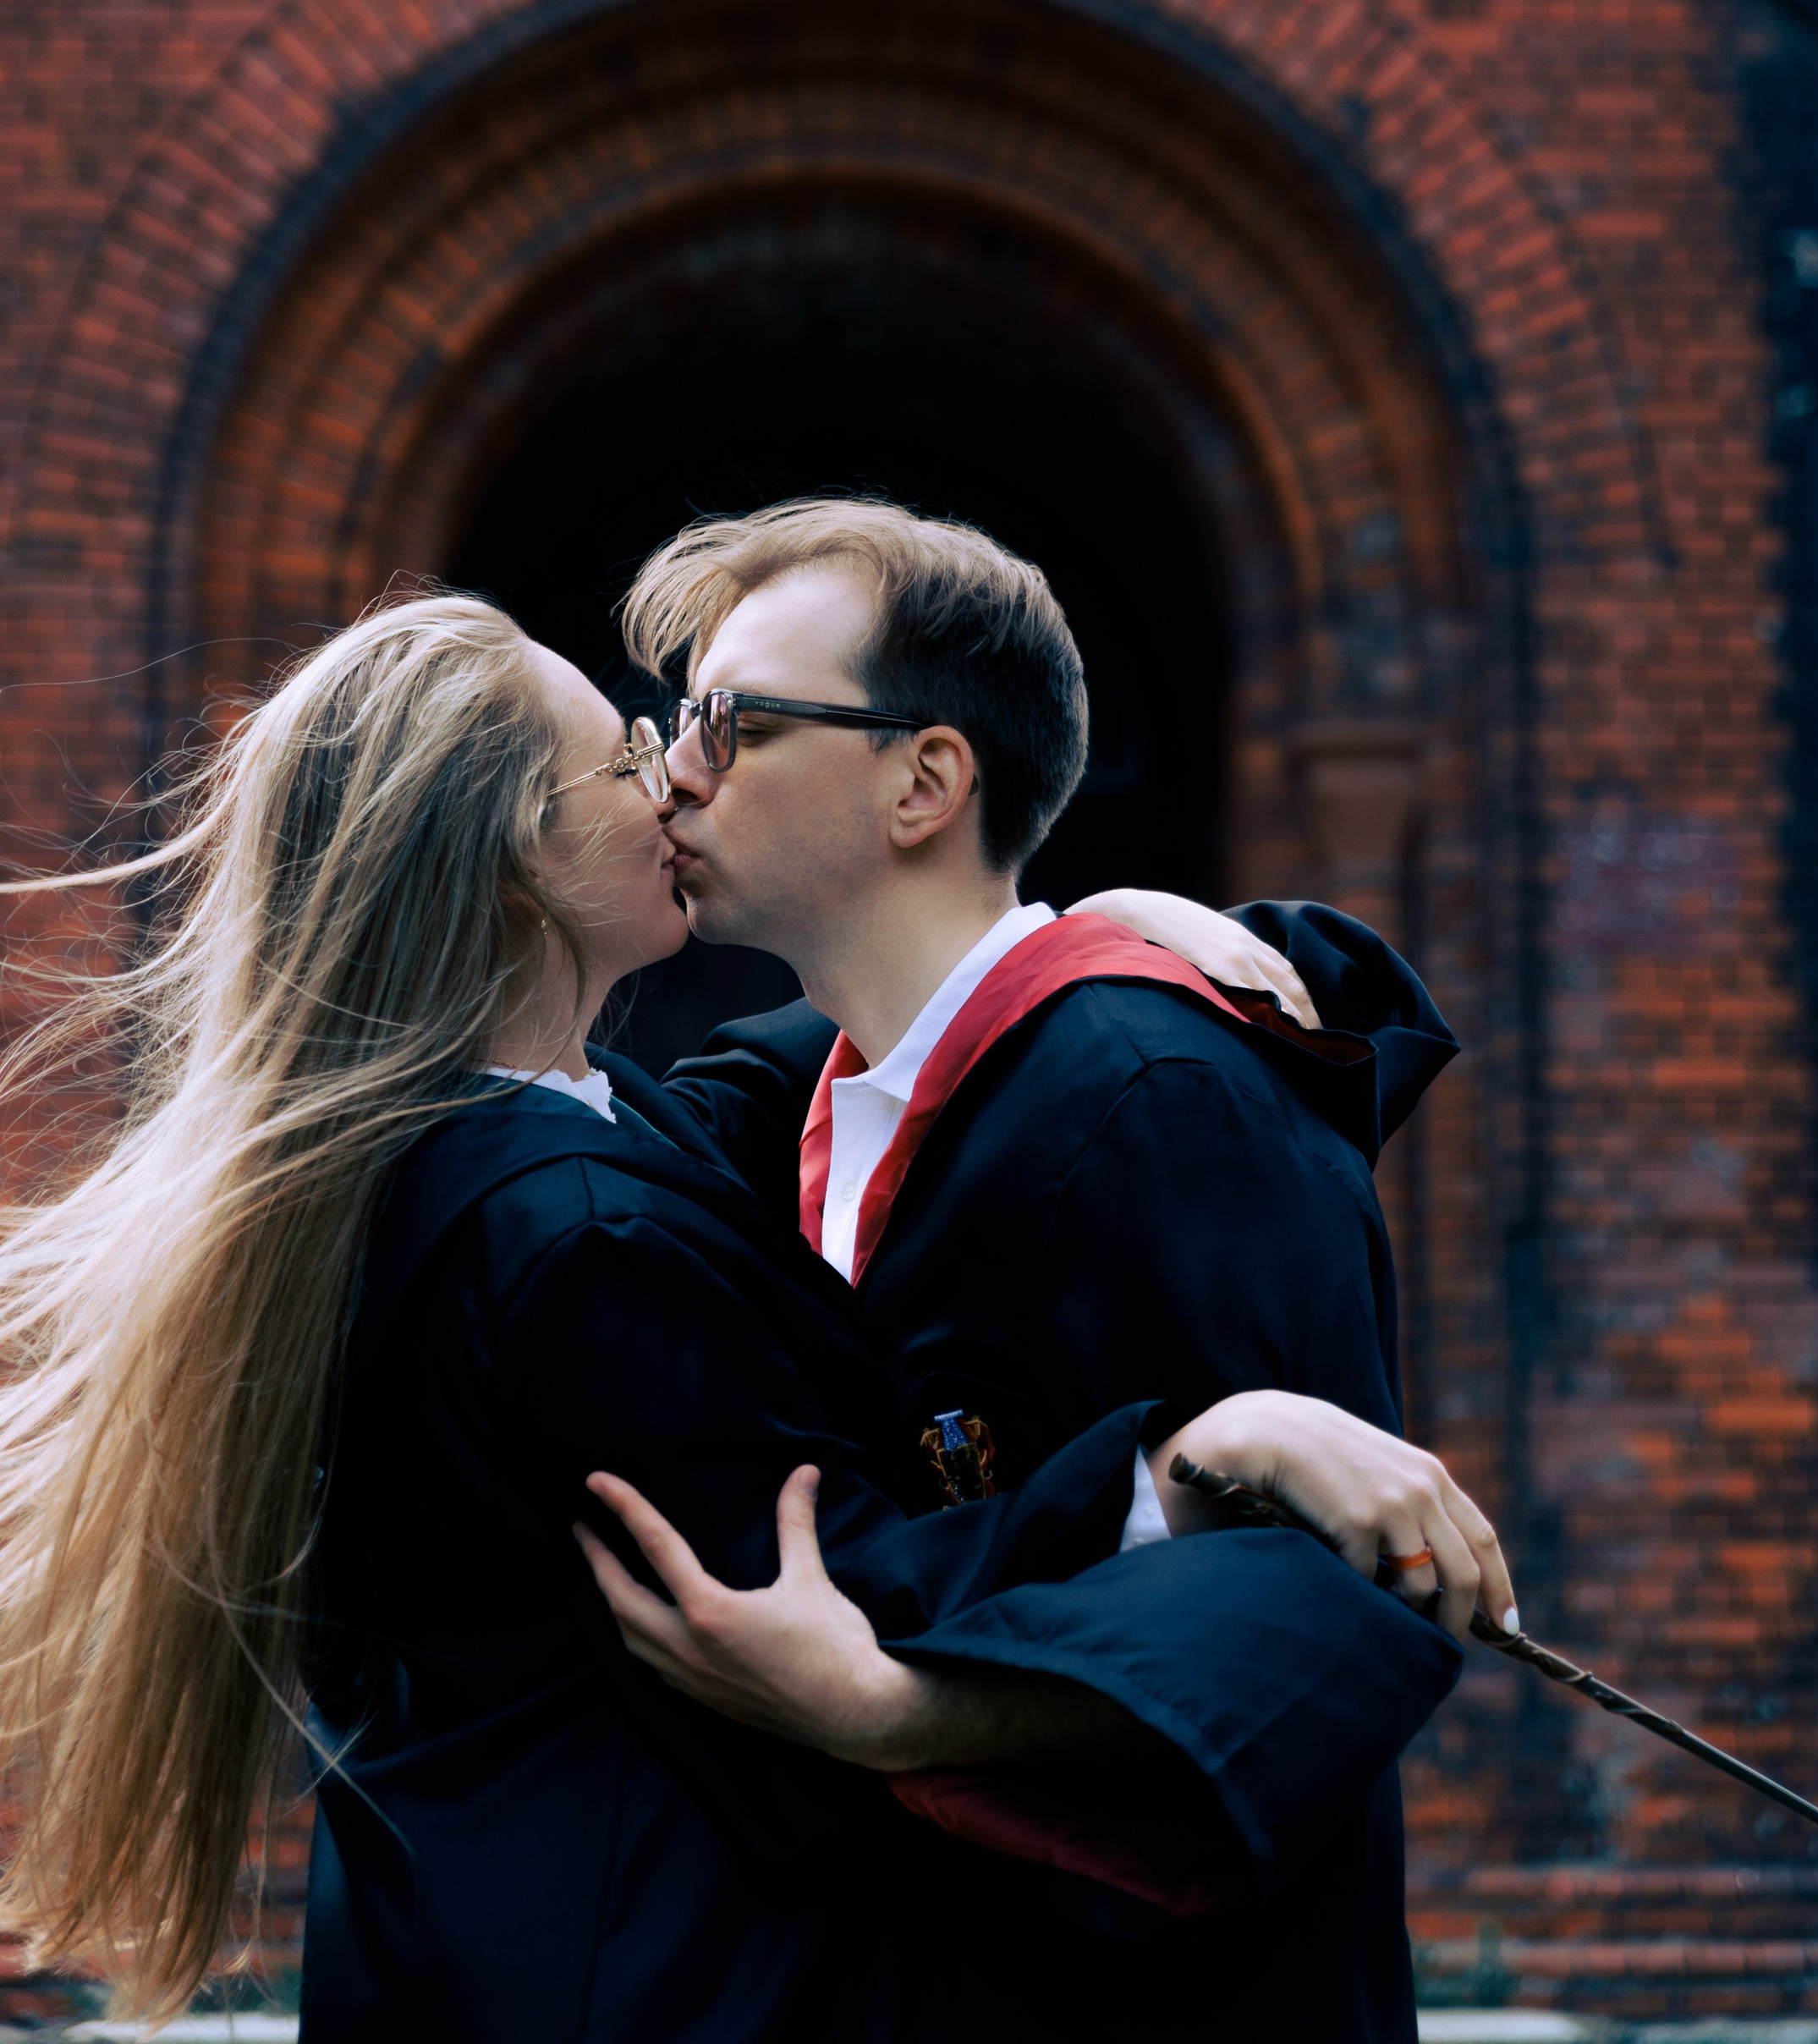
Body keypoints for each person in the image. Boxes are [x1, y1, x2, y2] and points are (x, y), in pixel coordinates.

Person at [0, 591, 1491, 2043]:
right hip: (624, 1965)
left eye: (718, 730)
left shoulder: (481, 1141)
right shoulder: (571, 1232)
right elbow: (836, 1578)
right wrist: (1201, 1458)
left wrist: (1086, 926)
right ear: (524, 857)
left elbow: (818, 1059)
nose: (675, 780)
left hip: (483, 1923)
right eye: (630, 755)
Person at [612, 498, 1490, 2044]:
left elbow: (1304, 1633)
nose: (675, 771)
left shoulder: (1156, 1096)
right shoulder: (805, 1096)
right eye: (685, 720)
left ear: (925, 781)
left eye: (735, 722)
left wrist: (895, 1717)